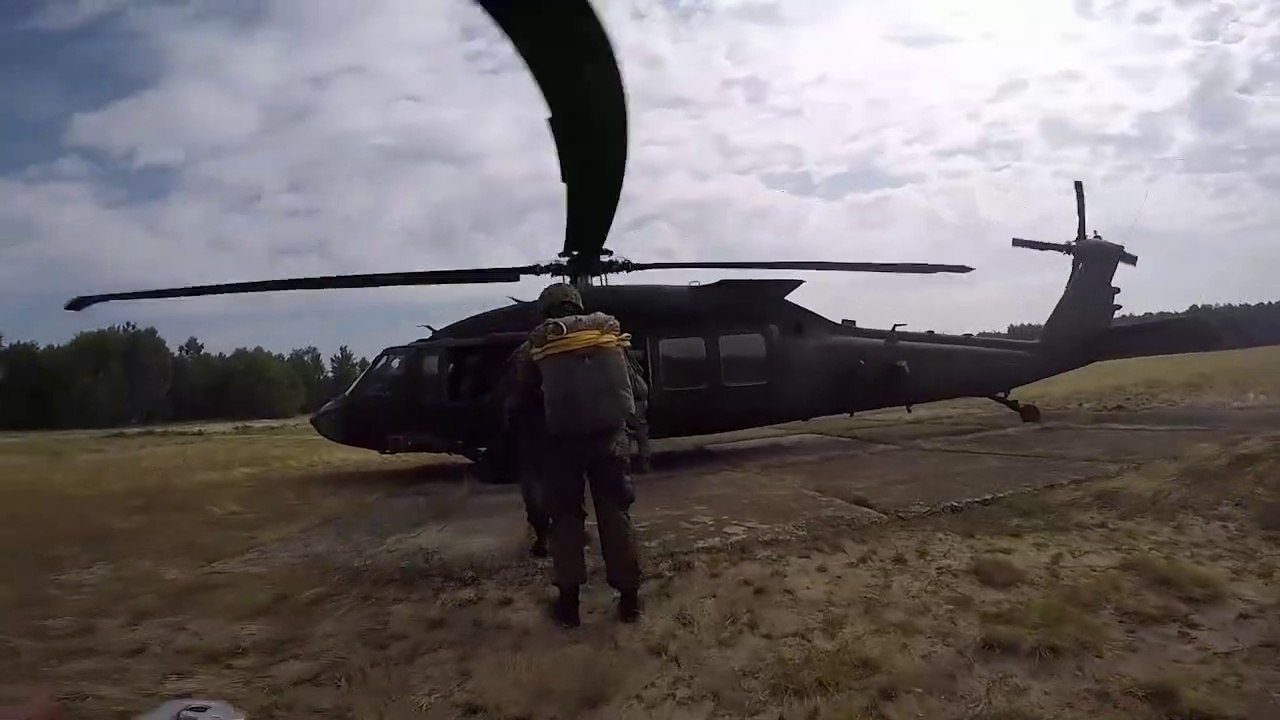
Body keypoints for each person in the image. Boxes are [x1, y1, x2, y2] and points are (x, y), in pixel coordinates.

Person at [504, 282, 643, 628]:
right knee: (616, 516)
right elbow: (639, 389)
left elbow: (516, 401)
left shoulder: (535, 347)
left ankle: (569, 605)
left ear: (546, 310)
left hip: (560, 447)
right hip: (611, 443)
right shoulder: (608, 341)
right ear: (577, 305)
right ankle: (629, 601)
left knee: (565, 520)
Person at [496, 341, 553, 557]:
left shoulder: (524, 352)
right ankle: (573, 533)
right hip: (563, 432)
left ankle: (543, 536)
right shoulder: (572, 349)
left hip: (533, 433)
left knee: (534, 484)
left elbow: (509, 402)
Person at [624, 352, 652, 474]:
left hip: (636, 401)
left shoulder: (625, 367)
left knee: (628, 434)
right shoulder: (631, 366)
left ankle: (627, 465)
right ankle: (643, 463)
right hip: (639, 400)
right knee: (641, 435)